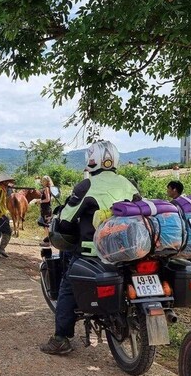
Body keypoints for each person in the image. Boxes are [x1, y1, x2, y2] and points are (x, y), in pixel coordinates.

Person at [40, 140, 140, 355]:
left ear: (90, 161)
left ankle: (61, 339)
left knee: (67, 287)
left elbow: (66, 220)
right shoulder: (127, 183)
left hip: (94, 252)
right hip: (128, 250)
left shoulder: (86, 186)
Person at [39, 175, 55, 248]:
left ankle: (48, 241)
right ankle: (48, 241)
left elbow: (48, 199)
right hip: (47, 208)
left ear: (46, 181)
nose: (42, 182)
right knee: (46, 225)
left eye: (43, 180)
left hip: (46, 209)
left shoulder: (46, 189)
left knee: (46, 226)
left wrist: (40, 201)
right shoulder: (50, 188)